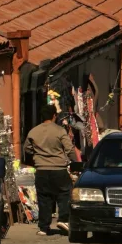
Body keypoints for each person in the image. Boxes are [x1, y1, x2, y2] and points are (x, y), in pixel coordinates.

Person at [23, 101, 77, 236]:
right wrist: (75, 162)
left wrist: (38, 157)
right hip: (59, 169)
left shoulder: (33, 131)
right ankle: (63, 219)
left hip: (41, 170)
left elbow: (27, 149)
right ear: (54, 116)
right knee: (64, 193)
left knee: (44, 198)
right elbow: (69, 149)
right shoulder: (59, 130)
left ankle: (43, 227)